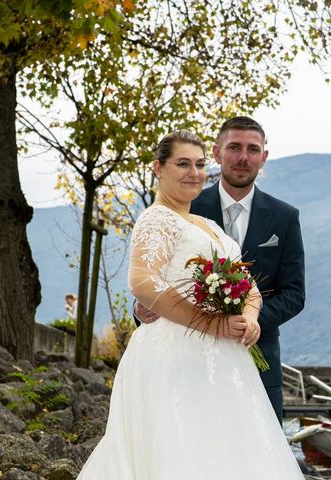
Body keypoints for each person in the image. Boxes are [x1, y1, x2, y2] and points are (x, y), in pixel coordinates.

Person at [76, 130, 304, 479]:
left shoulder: (207, 224)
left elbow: (250, 287)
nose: (194, 172)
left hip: (229, 359)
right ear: (159, 167)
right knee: (181, 449)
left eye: (199, 165)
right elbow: (143, 282)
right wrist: (211, 324)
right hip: (175, 357)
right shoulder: (157, 218)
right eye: (182, 163)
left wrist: (250, 316)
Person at [136, 116, 306, 422]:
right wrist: (143, 307)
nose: (243, 157)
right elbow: (152, 273)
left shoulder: (285, 217)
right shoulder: (184, 204)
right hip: (189, 361)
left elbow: (294, 293)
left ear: (263, 157)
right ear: (217, 153)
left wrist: (243, 321)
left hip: (260, 358)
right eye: (234, 147)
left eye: (253, 149)